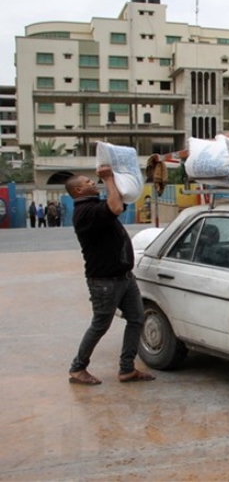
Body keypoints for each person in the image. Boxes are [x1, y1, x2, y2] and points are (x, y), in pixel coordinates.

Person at [64, 165, 155, 385]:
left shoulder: (95, 206)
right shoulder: (84, 213)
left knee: (136, 319)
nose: (91, 182)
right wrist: (108, 179)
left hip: (124, 277)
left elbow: (120, 201)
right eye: (86, 182)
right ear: (77, 191)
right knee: (100, 325)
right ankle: (77, 368)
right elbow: (115, 207)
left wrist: (116, 177)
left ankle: (126, 369)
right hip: (104, 282)